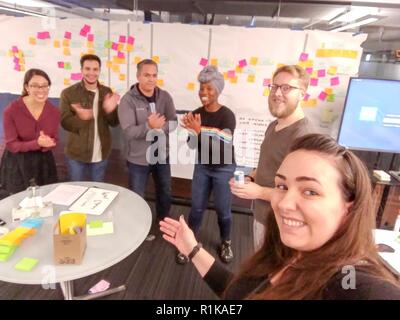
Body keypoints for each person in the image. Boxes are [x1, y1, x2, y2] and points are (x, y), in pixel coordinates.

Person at [160, 133, 400, 299]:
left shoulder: (351, 282)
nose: (284, 203)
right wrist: (192, 248)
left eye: (310, 191)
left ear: (349, 207)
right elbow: (240, 292)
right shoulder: (285, 253)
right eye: (282, 186)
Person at [230, 65, 312, 250]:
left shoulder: (302, 137)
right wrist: (250, 177)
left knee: (274, 276)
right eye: (274, 87)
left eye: (286, 88)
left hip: (281, 225)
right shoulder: (273, 126)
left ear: (302, 94)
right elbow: (268, 165)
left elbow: (301, 194)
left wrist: (258, 192)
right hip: (262, 215)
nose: (277, 93)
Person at [178, 65, 236, 264]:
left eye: (209, 88)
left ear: (218, 90)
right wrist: (191, 132)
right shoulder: (196, 113)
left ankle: (226, 241)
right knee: (196, 208)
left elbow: (223, 148)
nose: (204, 93)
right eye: (202, 88)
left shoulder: (227, 115)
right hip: (203, 166)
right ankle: (189, 244)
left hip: (223, 167)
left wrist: (199, 130)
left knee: (222, 209)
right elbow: (192, 145)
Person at [118, 59, 177, 239]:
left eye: (154, 75)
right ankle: (138, 230)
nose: (151, 79)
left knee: (165, 191)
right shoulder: (127, 100)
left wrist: (160, 127)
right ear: (138, 76)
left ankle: (163, 222)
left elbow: (173, 122)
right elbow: (128, 132)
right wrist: (149, 126)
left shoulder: (165, 96)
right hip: (138, 159)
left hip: (161, 156)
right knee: (137, 195)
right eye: (146, 75)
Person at [60, 54, 120, 182]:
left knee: (97, 191)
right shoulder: (68, 93)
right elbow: (64, 123)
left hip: (101, 153)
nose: (91, 73)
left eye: (95, 69)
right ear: (81, 70)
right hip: (76, 154)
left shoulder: (106, 92)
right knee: (76, 191)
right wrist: (81, 118)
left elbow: (114, 123)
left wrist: (110, 110)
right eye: (87, 69)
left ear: (99, 71)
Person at [0, 69, 60, 196]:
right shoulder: (11, 111)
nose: (41, 89)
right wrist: (37, 143)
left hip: (43, 162)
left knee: (44, 199)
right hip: (18, 162)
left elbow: (54, 139)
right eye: (35, 85)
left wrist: (50, 143)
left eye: (45, 85)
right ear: (27, 87)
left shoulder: (53, 112)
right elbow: (12, 145)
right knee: (19, 201)